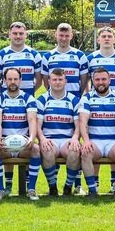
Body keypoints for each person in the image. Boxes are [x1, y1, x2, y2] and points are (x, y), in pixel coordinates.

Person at [0, 22, 42, 190]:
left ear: (25, 35)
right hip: (8, 100)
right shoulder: (1, 54)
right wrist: (9, 93)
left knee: (27, 146)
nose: (18, 36)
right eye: (15, 33)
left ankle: (28, 186)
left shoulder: (33, 54)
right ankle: (6, 186)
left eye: (21, 33)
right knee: (8, 142)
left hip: (27, 104)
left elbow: (39, 80)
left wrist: (25, 94)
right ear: (10, 34)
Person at [41, 22, 88, 194]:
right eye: (61, 35)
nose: (63, 38)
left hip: (73, 102)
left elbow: (84, 80)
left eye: (67, 35)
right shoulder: (48, 56)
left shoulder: (79, 56)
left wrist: (76, 96)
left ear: (71, 36)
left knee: (76, 143)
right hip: (53, 101)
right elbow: (45, 79)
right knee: (51, 147)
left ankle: (76, 186)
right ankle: (53, 186)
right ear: (56, 35)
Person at [87, 26, 115, 191]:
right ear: (98, 40)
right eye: (103, 36)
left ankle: (114, 183)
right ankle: (95, 183)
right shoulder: (90, 58)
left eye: (109, 36)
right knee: (94, 141)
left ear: (114, 39)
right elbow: (86, 82)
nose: (106, 38)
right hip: (95, 104)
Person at [0, 68, 41, 200]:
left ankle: (31, 189)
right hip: (6, 144)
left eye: (15, 79)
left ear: (20, 80)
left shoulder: (28, 98)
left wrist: (31, 138)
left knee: (36, 149)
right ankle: (1, 190)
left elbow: (32, 120)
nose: (13, 82)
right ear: (4, 81)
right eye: (10, 79)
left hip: (23, 144)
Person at [79, 67, 115, 200]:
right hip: (95, 141)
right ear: (92, 82)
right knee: (85, 152)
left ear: (109, 80)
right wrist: (86, 140)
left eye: (103, 79)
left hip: (113, 141)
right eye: (97, 80)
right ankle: (92, 191)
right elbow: (83, 121)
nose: (100, 82)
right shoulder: (87, 98)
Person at [36, 68, 81, 196]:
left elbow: (79, 126)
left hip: (67, 138)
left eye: (60, 79)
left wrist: (75, 138)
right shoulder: (42, 100)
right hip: (50, 138)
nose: (57, 82)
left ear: (65, 81)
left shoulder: (74, 100)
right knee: (46, 150)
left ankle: (68, 186)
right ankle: (52, 186)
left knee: (75, 150)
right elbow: (37, 126)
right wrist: (43, 139)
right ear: (49, 81)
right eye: (54, 80)